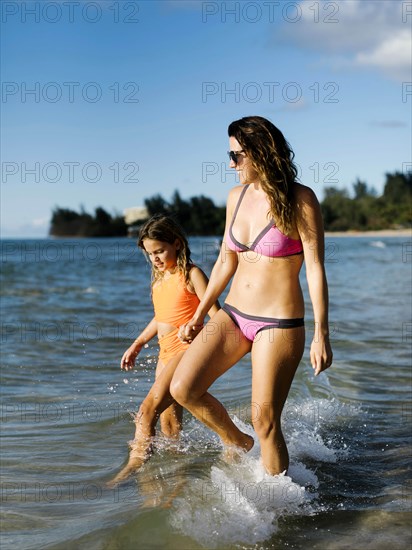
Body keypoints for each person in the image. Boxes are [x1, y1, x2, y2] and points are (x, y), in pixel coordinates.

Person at [169, 116, 333, 476]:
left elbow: (316, 268)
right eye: (229, 155)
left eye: (237, 156)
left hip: (278, 323)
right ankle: (236, 441)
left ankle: (280, 509)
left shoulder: (301, 200)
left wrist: (321, 334)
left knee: (265, 422)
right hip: (233, 314)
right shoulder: (236, 197)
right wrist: (198, 316)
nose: (231, 164)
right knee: (183, 388)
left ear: (262, 152)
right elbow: (226, 261)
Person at [111, 214, 219, 484]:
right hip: (165, 355)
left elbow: (218, 317)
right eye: (150, 254)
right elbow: (162, 318)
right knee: (170, 429)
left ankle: (130, 472)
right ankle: (176, 482)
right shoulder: (160, 279)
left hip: (186, 353)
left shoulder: (191, 274)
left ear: (178, 244)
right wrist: (138, 343)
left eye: (159, 251)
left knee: (145, 412)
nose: (155, 258)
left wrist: (196, 328)